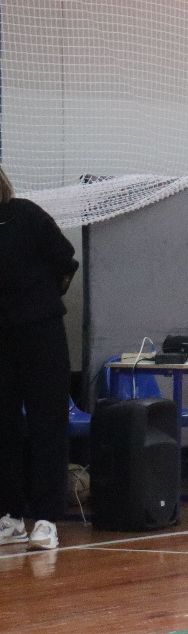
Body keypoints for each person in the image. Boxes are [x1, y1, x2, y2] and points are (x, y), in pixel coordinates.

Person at [0, 165, 77, 552]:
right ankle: (10, 516)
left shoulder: (26, 215)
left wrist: (36, 302)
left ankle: (47, 520)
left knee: (47, 422)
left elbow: (65, 261)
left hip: (41, 333)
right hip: (2, 337)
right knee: (3, 426)